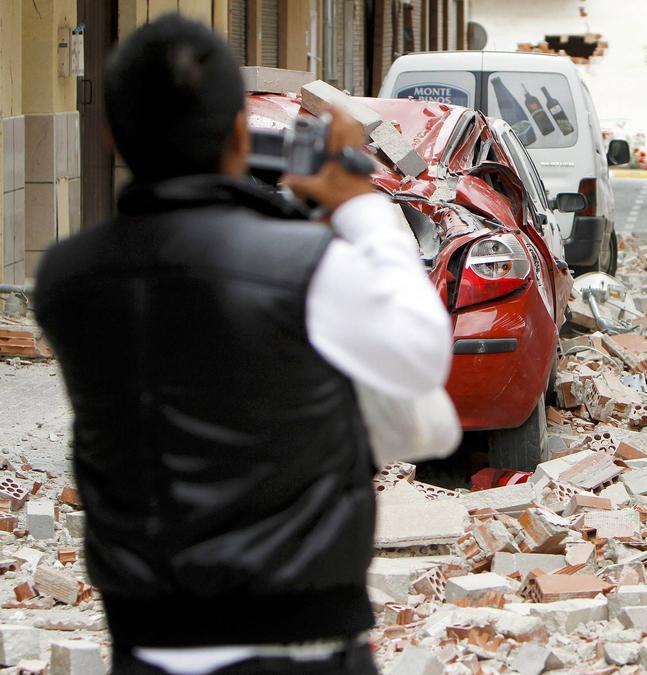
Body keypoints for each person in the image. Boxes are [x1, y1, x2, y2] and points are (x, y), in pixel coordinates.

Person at [34, 15, 452, 674]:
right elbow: (423, 350)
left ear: (113, 135)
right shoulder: (308, 266)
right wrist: (356, 205)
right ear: (239, 131)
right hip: (302, 643)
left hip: (147, 641)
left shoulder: (65, 278)